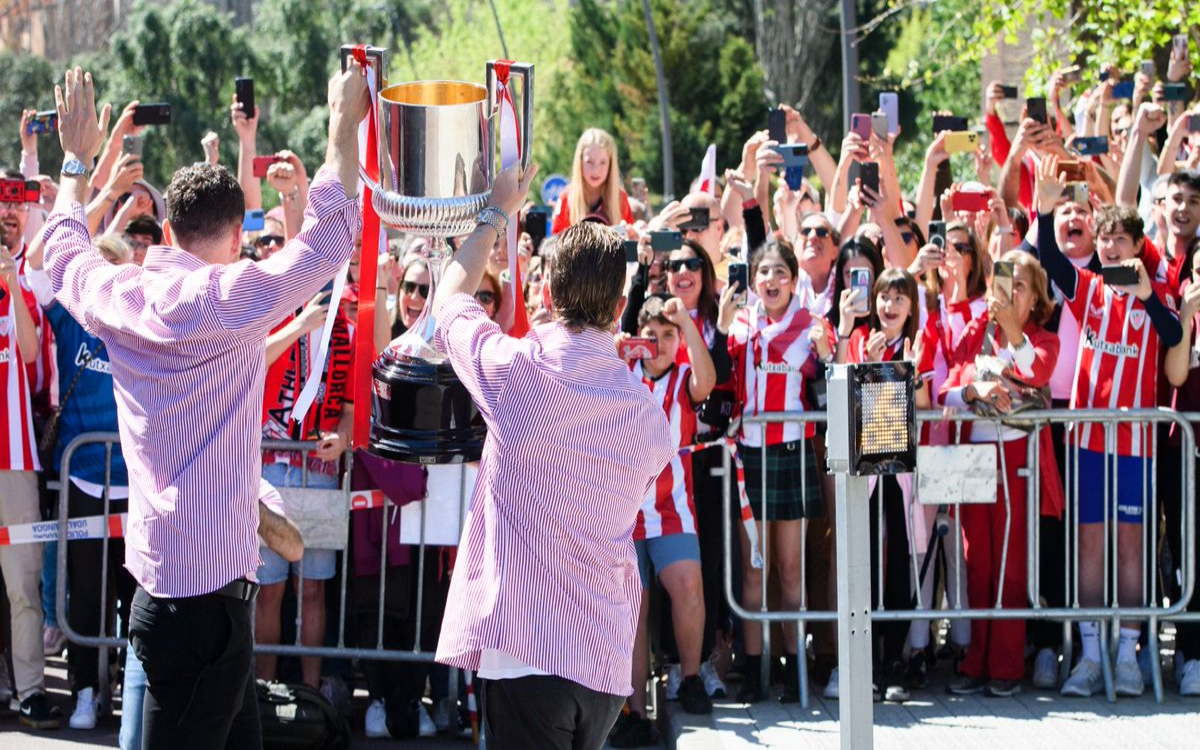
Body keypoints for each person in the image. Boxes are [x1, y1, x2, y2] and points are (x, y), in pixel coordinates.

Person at [41, 63, 369, 746]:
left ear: (167, 230)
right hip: (204, 610)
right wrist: (344, 126)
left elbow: (67, 250)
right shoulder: (229, 296)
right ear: (233, 237)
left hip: (173, 596)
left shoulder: (123, 294)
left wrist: (75, 162)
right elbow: (334, 240)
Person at [431, 161, 676, 749]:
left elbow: (447, 298)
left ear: (545, 292)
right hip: (602, 660)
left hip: (527, 653)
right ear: (619, 308)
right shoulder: (644, 411)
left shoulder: (515, 372)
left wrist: (495, 212)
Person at [1031, 157, 1182, 699]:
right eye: (1106, 239)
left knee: (1133, 547)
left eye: (1123, 240)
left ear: (1139, 247)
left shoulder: (1155, 292)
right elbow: (1047, 254)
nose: (1113, 248)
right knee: (1089, 545)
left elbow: (1172, 333)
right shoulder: (1088, 287)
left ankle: (1127, 655)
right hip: (1089, 440)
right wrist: (1046, 206)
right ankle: (1090, 655)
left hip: (1137, 443)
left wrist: (1146, 295)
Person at [941, 251, 1063, 698]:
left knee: (1012, 569)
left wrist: (1011, 327)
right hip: (974, 459)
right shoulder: (977, 331)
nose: (1010, 293)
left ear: (1036, 298)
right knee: (978, 566)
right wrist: (973, 389)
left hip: (1018, 462)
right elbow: (947, 385)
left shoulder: (1044, 338)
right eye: (1003, 282)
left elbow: (1035, 369)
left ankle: (1007, 666)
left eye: (1020, 285)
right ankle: (975, 661)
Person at [727, 239, 832, 703]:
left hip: (791, 450)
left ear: (794, 280)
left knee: (791, 569)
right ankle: (754, 673)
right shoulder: (741, 323)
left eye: (780, 273)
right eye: (763, 272)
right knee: (755, 570)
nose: (771, 280)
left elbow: (823, 379)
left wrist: (832, 350)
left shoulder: (811, 326)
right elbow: (726, 366)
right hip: (749, 454)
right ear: (753, 281)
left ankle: (794, 672)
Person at [610, 295, 716, 747]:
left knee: (688, 586)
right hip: (623, 511)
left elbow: (710, 381)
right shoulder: (621, 374)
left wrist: (685, 321)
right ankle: (633, 709)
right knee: (632, 609)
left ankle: (690, 677)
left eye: (668, 336)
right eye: (652, 336)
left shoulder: (685, 380)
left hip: (673, 509)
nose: (661, 343)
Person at [551, 128, 634, 233]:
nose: (596, 170)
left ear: (611, 165)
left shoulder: (620, 198)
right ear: (580, 161)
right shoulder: (566, 198)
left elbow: (630, 240)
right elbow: (555, 240)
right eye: (589, 162)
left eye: (603, 162)